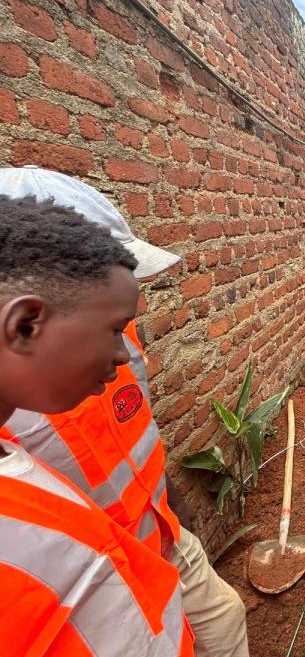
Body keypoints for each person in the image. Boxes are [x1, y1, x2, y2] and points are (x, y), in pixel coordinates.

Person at [0, 166, 249, 656]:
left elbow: (140, 432)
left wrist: (175, 515)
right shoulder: (27, 401)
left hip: (158, 538)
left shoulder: (98, 341)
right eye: (115, 328)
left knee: (221, 622)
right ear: (28, 323)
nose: (121, 354)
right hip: (100, 575)